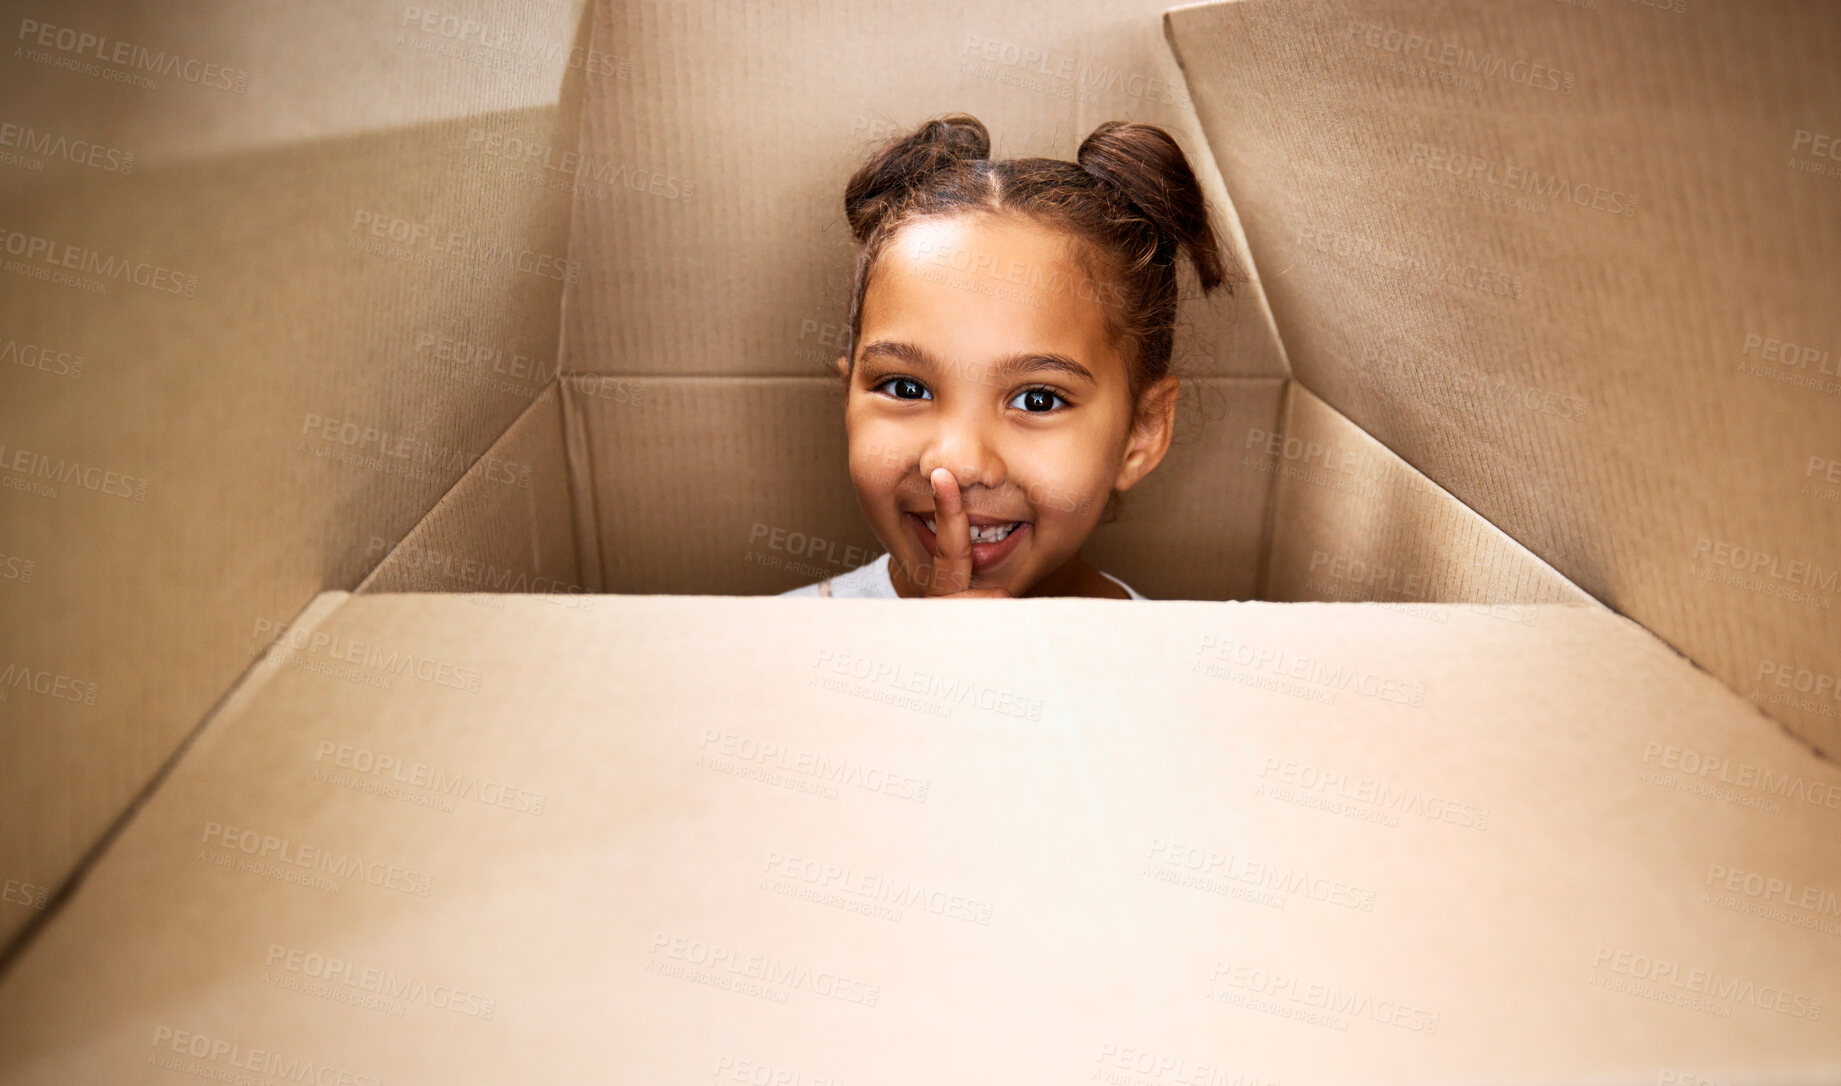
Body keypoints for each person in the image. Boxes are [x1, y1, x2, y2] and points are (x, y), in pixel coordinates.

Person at [781, 112, 1228, 600]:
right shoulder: (773, 652)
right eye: (906, 388)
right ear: (849, 402)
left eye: (1038, 400)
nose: (956, 463)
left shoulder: (1174, 670)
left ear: (1142, 431)